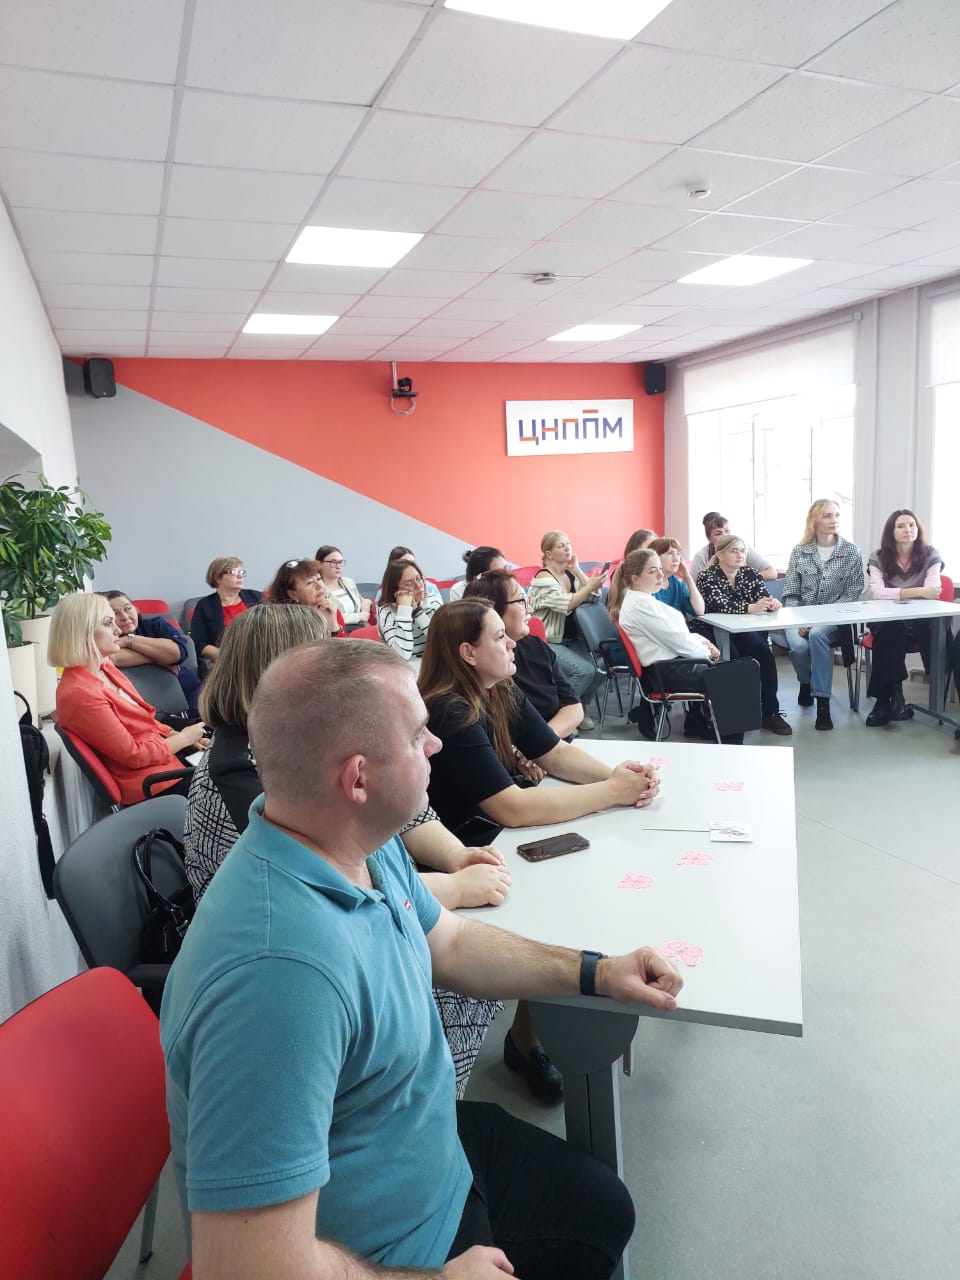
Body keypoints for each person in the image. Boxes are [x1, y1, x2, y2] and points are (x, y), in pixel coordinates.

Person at [161, 638, 682, 1279]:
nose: (435, 744)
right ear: (358, 778)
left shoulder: (356, 842)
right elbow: (246, 1268)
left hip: (423, 1145)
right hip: (390, 1251)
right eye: (415, 736)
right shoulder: (277, 977)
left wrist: (596, 971)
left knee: (603, 1209)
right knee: (590, 1231)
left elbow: (452, 943)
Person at [184, 604, 509, 1099]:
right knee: (456, 974)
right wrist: (457, 888)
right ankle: (428, 1107)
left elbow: (405, 815)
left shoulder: (292, 749)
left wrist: (455, 856)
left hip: (343, 920)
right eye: (325, 649)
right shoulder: (248, 777)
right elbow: (333, 888)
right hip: (310, 949)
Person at [50, 592, 207, 803]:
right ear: (83, 632)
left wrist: (176, 735)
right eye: (108, 623)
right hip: (154, 782)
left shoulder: (104, 667)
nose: (117, 630)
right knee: (234, 779)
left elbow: (145, 720)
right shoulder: (81, 695)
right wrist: (184, 738)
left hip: (163, 762)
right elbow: (134, 756)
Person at [612, 549, 744, 742]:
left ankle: (719, 730)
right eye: (652, 571)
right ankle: (731, 742)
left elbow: (677, 635)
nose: (660, 575)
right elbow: (679, 641)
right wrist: (705, 651)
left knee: (737, 670)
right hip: (667, 672)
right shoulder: (641, 605)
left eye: (660, 569)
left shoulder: (643, 600)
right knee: (735, 675)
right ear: (636, 579)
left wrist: (704, 642)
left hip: (671, 666)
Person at [464, 568, 584, 741]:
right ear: (491, 610)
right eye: (521, 601)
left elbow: (573, 707)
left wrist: (544, 740)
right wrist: (539, 746)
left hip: (552, 748)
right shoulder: (485, 667)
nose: (530, 609)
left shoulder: (535, 647)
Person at [696, 534, 792, 735]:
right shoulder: (707, 576)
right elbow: (718, 604)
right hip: (717, 631)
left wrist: (771, 603)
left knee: (764, 655)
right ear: (720, 555)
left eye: (743, 551)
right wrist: (750, 607)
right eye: (734, 551)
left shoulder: (750, 573)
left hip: (745, 629)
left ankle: (770, 712)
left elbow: (762, 597)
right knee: (741, 662)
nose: (740, 555)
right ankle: (739, 715)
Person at [782, 500, 865, 731]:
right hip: (799, 616)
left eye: (837, 515)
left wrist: (817, 621)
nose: (834, 520)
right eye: (827, 516)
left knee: (817, 634)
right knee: (799, 647)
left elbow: (852, 593)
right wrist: (801, 620)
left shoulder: (851, 551)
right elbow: (790, 593)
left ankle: (822, 704)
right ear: (814, 520)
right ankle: (805, 681)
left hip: (835, 618)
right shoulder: (800, 551)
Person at [863, 509, 944, 727]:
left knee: (928, 630)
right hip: (888, 621)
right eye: (900, 526)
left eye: (911, 525)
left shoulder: (931, 555)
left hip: (920, 622)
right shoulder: (878, 557)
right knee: (891, 630)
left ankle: (889, 700)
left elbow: (933, 591)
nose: (907, 530)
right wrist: (917, 591)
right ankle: (889, 700)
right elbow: (877, 593)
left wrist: (897, 593)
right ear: (891, 532)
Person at [527, 530, 606, 710]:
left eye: (568, 544)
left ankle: (580, 709)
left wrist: (577, 570)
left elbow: (594, 596)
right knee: (584, 671)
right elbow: (567, 603)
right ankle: (561, 711)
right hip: (549, 641)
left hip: (572, 639)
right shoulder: (543, 578)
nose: (567, 548)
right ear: (549, 554)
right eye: (561, 546)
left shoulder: (569, 574)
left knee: (601, 669)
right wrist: (590, 586)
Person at [105, 590, 202, 715]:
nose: (124, 617)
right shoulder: (105, 637)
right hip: (141, 700)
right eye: (115, 613)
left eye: (128, 608)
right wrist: (159, 657)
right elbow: (112, 658)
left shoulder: (155, 625)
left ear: (136, 609)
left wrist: (130, 640)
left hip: (185, 688)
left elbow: (178, 654)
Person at [189, 556, 262, 664]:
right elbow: (198, 643)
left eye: (241, 572)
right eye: (234, 572)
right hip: (227, 661)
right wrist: (226, 657)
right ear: (218, 578)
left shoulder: (255, 596)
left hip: (260, 653)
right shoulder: (205, 605)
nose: (240, 576)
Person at [377, 557, 443, 659]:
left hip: (430, 662)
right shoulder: (386, 612)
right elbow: (401, 655)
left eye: (418, 578)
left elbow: (442, 643)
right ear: (395, 590)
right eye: (409, 583)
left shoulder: (433, 601)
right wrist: (404, 610)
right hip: (403, 666)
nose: (418, 585)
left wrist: (417, 612)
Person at [690, 512, 776, 581]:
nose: (725, 535)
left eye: (727, 531)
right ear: (709, 539)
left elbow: (771, 572)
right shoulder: (701, 557)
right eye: (718, 533)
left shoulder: (743, 549)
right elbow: (693, 588)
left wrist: (746, 578)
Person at [267, 558, 344, 634]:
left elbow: (343, 642)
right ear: (293, 595)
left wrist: (334, 624)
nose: (319, 586)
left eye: (319, 579)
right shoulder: (282, 620)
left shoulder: (331, 610)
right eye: (309, 583)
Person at [648, 537, 706, 623]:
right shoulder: (648, 584)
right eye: (670, 553)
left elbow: (699, 611)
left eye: (678, 554)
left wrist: (688, 577)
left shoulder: (675, 582)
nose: (676, 559)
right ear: (655, 558)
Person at [314, 545, 372, 628]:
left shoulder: (348, 582)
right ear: (319, 564)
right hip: (337, 630)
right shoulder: (317, 588)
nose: (338, 566)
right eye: (333, 562)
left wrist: (365, 614)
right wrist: (358, 616)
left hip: (360, 627)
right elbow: (327, 617)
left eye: (340, 562)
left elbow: (365, 601)